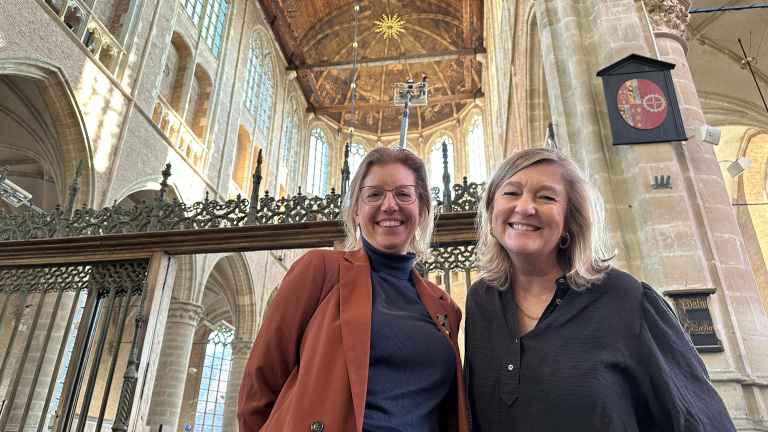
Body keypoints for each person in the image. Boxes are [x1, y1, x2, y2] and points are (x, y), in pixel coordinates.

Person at [464, 147, 735, 431]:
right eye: (511, 193)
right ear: (492, 211)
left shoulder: (625, 298)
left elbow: (700, 419)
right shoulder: (481, 299)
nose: (525, 207)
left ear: (569, 221)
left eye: (546, 197)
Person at [238, 147, 470, 432]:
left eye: (403, 194)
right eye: (374, 194)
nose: (389, 204)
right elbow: (260, 384)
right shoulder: (320, 269)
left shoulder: (444, 306)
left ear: (420, 210)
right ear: (357, 212)